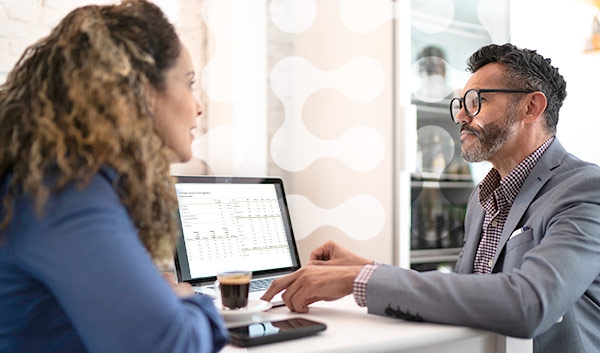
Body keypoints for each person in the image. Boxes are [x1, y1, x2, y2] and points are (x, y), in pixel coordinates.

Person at [262, 43, 600, 353]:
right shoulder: (482, 198)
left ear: (531, 106)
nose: (460, 116)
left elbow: (530, 303)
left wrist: (358, 280)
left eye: (476, 101)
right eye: (460, 103)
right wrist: (366, 268)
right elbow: (469, 295)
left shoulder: (585, 189)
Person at [0, 1, 229, 352]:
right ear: (143, 90)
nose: (198, 106)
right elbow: (170, 345)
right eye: (188, 83)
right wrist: (192, 302)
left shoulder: (60, 180)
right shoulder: (65, 191)